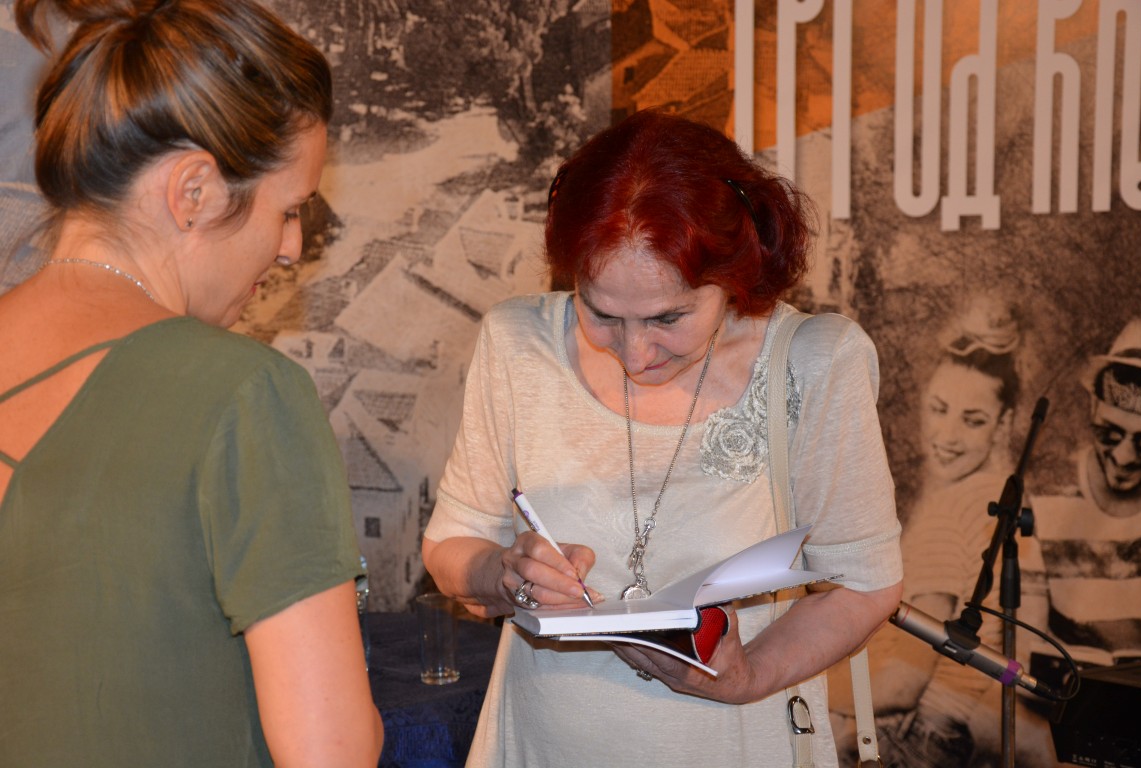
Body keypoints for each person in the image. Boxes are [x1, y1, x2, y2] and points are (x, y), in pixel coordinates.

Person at [421, 109, 903, 767]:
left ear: (734, 276)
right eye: (601, 313)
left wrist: (748, 675)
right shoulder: (517, 344)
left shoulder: (815, 362)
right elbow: (450, 544)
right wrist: (503, 574)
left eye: (668, 318)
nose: (635, 353)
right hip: (540, 746)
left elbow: (865, 584)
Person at [0, 1, 383, 766]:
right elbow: (330, 752)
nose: (291, 247)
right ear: (194, 191)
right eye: (288, 210)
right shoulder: (246, 394)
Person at [830, 297, 1053, 767]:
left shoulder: (951, 511)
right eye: (939, 409)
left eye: (973, 421)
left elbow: (901, 686)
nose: (947, 436)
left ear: (1005, 423)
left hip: (924, 737)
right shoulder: (1004, 498)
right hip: (965, 732)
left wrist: (797, 687)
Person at [1032, 316, 1141, 668]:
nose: (1124, 457)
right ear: (1092, 408)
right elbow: (1024, 648)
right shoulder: (1043, 494)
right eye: (1109, 434)